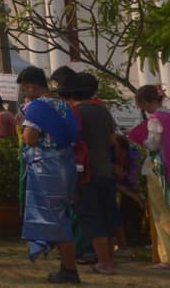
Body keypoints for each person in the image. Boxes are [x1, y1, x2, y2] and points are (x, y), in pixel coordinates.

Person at [17, 64, 82, 284]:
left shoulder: (37, 106)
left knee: (55, 218)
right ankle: (66, 267)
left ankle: (70, 270)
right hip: (65, 162)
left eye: (25, 88)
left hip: (47, 167)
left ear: (33, 87)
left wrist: (23, 127)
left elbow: (30, 138)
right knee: (61, 215)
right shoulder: (64, 104)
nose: (25, 93)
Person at [63, 71, 119, 276]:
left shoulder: (74, 113)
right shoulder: (102, 110)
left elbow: (69, 140)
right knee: (107, 215)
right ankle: (109, 260)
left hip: (85, 171)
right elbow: (113, 140)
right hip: (105, 169)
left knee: (91, 217)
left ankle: (103, 262)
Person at [129, 83, 170, 270]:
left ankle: (166, 256)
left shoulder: (155, 119)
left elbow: (152, 145)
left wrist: (139, 139)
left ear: (147, 102)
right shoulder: (167, 115)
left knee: (162, 212)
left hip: (159, 168)